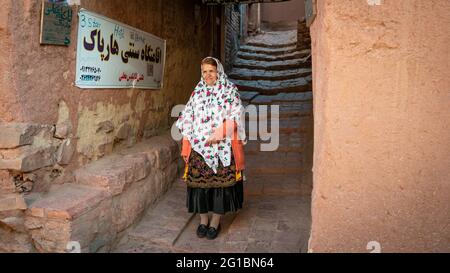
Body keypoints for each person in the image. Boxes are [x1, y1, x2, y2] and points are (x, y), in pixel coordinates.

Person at [175, 57, 246, 240]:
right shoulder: (197, 92)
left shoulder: (229, 90)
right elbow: (187, 116)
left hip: (222, 148)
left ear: (218, 71)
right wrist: (186, 143)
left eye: (211, 71)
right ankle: (203, 220)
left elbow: (236, 113)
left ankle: (215, 222)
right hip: (199, 149)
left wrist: (220, 133)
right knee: (199, 186)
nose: (208, 75)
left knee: (219, 187)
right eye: (205, 71)